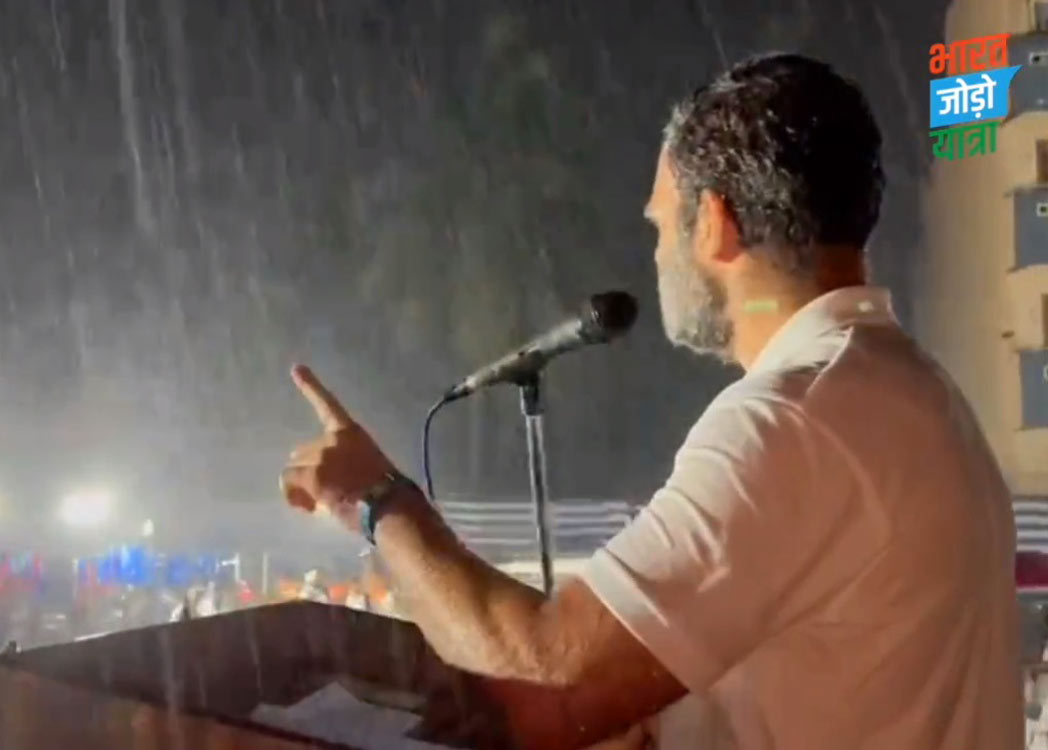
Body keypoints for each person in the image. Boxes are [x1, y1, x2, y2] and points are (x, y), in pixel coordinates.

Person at [280, 52, 1021, 750]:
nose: (660, 252)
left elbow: (544, 675)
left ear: (719, 224)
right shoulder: (915, 394)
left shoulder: (793, 421)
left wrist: (375, 499)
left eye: (664, 224)